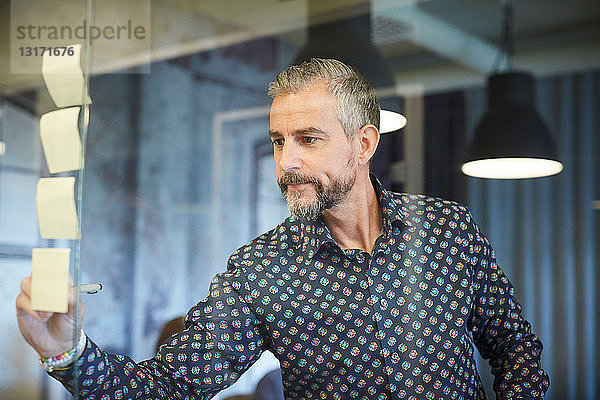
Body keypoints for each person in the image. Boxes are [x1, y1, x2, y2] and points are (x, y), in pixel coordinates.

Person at [16, 58, 549, 399]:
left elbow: (516, 354)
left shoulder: (448, 232)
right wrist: (68, 353)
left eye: (309, 139)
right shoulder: (260, 273)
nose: (286, 162)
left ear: (364, 144)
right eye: (277, 140)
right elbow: (170, 387)